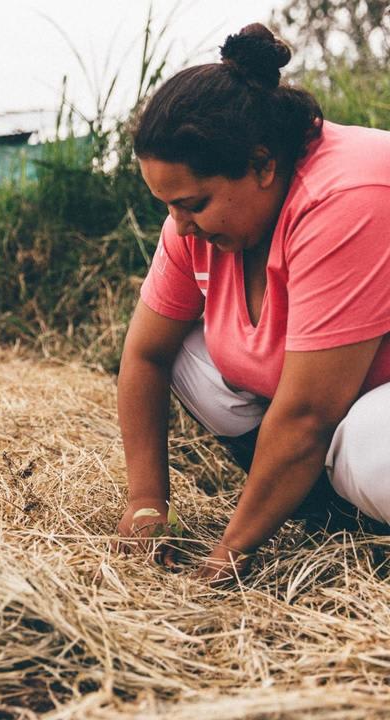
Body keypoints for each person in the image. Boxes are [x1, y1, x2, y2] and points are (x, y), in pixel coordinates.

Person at [114, 23, 390, 582]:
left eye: (192, 203)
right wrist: (146, 505)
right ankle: (322, 508)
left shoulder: (349, 196)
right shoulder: (200, 224)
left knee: (371, 449)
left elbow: (310, 414)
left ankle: (353, 508)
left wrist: (228, 556)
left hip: (362, 409)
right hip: (331, 404)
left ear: (263, 164)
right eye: (167, 205)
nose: (179, 226)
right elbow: (144, 357)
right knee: (187, 353)